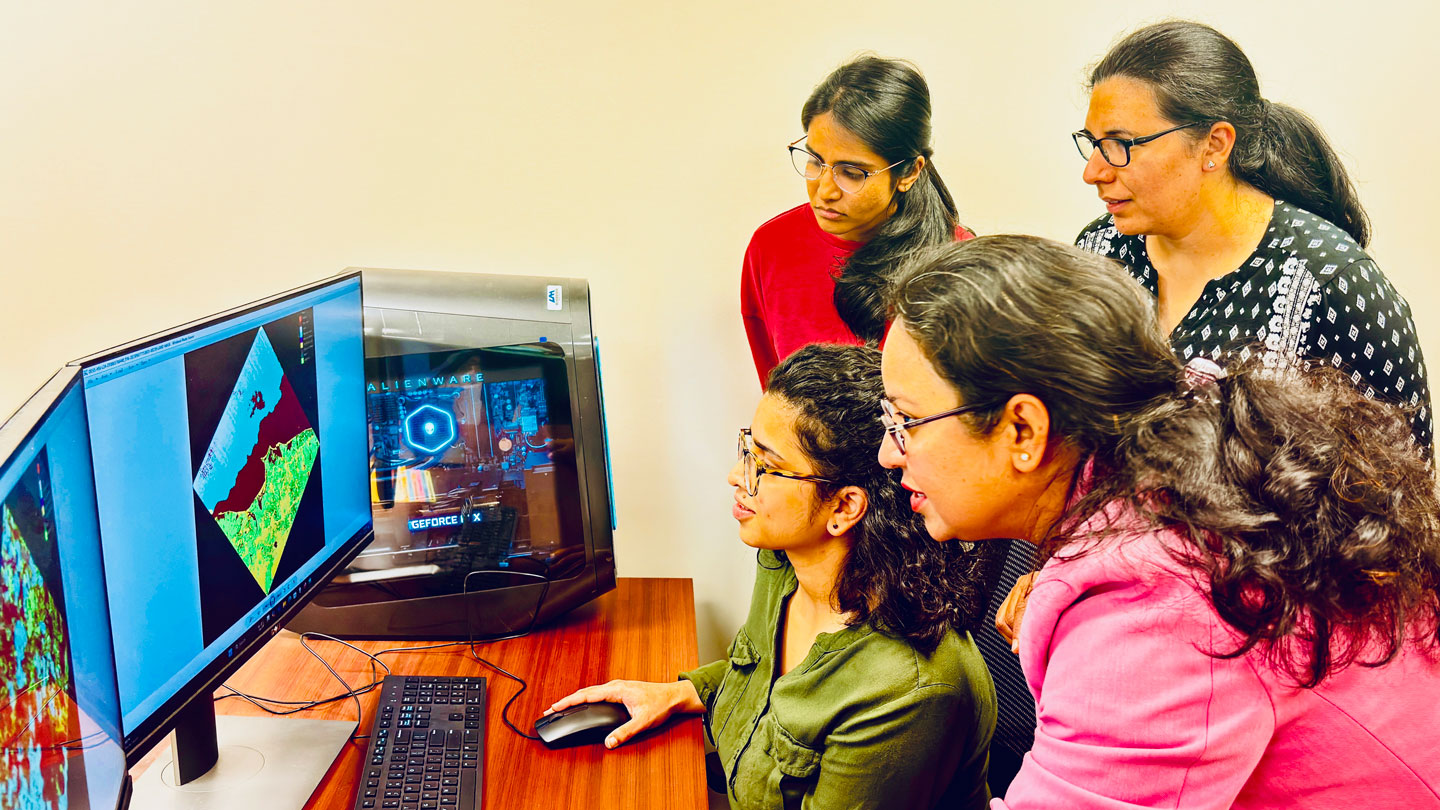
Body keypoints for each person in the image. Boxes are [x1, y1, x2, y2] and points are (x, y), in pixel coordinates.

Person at [879, 235, 1440, 808]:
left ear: (1023, 430)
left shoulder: (1153, 602)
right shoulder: (1180, 451)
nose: (887, 452)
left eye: (907, 421)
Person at [546, 343, 998, 809]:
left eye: (766, 466)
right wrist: (681, 693)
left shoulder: (905, 692)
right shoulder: (786, 563)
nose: (735, 477)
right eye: (747, 449)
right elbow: (763, 678)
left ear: (844, 507)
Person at [1072, 20, 1432, 449]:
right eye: (1092, 143)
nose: (1092, 171)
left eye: (1120, 144)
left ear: (1215, 145)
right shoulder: (1099, 252)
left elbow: (1402, 492)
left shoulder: (1334, 284)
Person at [741, 56, 972, 387]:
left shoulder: (956, 265)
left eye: (852, 173)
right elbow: (777, 393)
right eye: (815, 161)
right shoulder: (771, 246)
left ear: (910, 171)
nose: (825, 190)